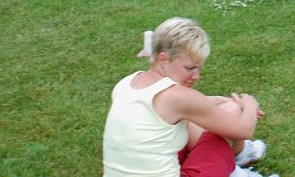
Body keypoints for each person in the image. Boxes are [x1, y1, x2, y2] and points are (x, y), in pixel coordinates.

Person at [103, 18, 270, 177]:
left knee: (213, 113)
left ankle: (238, 158)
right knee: (231, 111)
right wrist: (249, 104)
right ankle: (234, 167)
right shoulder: (179, 97)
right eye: (190, 68)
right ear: (163, 59)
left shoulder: (127, 83)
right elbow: (244, 129)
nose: (196, 76)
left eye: (199, 68)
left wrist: (222, 100)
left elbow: (189, 107)